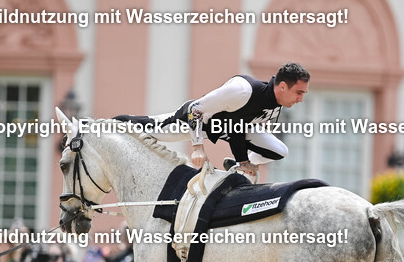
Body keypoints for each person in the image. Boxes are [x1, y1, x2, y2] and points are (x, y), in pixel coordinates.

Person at [115, 62, 310, 179]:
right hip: (199, 122)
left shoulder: (276, 104)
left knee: (280, 151)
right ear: (283, 86)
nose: (301, 99)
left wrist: (244, 161)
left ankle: (235, 166)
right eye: (299, 93)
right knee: (149, 130)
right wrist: (198, 147)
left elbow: (239, 128)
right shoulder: (242, 90)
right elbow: (195, 109)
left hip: (229, 129)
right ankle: (105, 126)